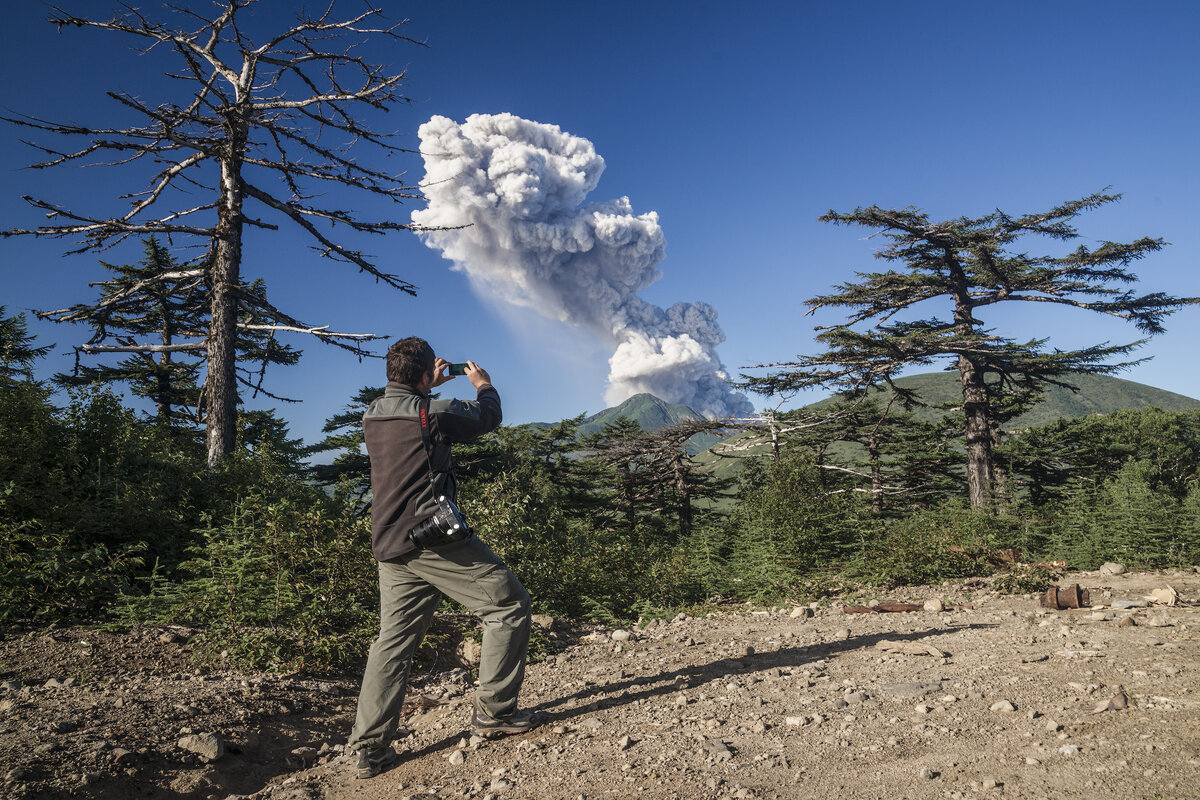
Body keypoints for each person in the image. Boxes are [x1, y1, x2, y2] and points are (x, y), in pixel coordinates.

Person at [348, 336, 536, 779]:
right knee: (509, 604)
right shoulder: (432, 412)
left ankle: (370, 749)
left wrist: (423, 385)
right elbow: (487, 418)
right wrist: (482, 383)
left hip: (389, 544)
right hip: (433, 539)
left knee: (392, 643)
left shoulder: (373, 413)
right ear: (421, 374)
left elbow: (411, 421)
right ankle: (495, 713)